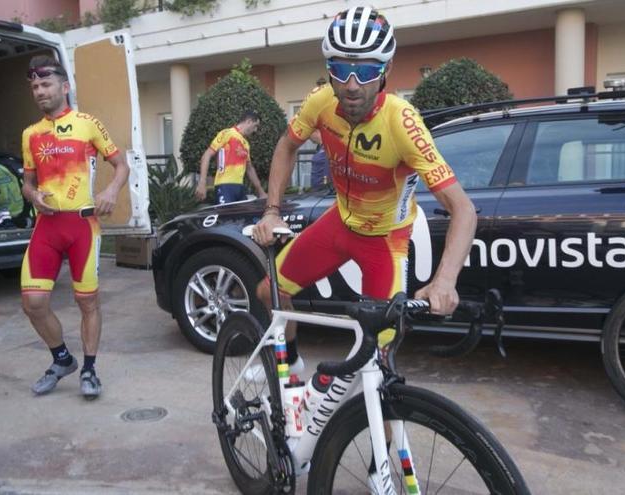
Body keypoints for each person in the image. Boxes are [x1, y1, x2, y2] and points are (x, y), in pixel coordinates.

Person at [253, 6, 477, 373]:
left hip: (385, 240)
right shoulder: (321, 102)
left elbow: (463, 209)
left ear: (386, 70)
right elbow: (286, 145)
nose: (352, 84)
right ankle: (289, 365)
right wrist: (272, 210)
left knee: (379, 361)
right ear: (329, 70)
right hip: (339, 223)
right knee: (269, 292)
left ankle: (385, 432)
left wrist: (445, 281)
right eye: (340, 70)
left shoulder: (402, 123)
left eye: (368, 70)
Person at [19, 55, 129, 399]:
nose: (39, 91)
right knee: (33, 302)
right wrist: (33, 195)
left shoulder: (88, 123)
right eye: (35, 86)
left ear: (64, 87)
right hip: (47, 227)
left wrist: (111, 190)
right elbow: (27, 182)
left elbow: (120, 164)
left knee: (88, 303)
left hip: (83, 226)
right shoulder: (30, 134)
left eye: (46, 84)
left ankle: (90, 370)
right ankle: (62, 359)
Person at [195, 111, 267, 204]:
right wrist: (202, 183)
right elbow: (207, 155)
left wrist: (261, 191)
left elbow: (249, 168)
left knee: (242, 218)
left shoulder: (245, 143)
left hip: (240, 187)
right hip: (224, 186)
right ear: (249, 121)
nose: (255, 130)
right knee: (226, 218)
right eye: (255, 126)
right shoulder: (227, 133)